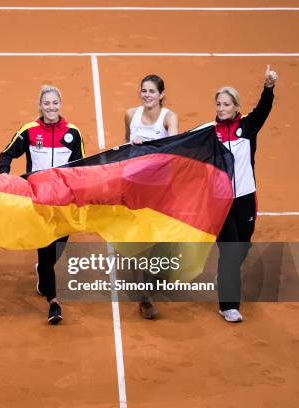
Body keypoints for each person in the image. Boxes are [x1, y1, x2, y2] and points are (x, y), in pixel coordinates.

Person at [0, 85, 85, 324]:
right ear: (40, 105)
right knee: (46, 255)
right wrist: (5, 175)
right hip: (39, 203)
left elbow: (82, 168)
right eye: (46, 103)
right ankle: (53, 303)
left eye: (55, 103)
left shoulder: (73, 133)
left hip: (64, 204)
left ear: (61, 104)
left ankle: (42, 273)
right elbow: (6, 155)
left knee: (56, 251)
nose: (51, 107)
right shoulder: (29, 131)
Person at [214, 65, 278, 323]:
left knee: (241, 246)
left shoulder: (247, 128)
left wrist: (269, 88)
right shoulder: (210, 133)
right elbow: (181, 145)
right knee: (230, 251)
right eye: (218, 104)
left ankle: (226, 273)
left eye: (226, 104)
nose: (221, 108)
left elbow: (263, 110)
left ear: (236, 106)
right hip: (221, 202)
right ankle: (228, 305)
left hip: (246, 199)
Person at [123, 74, 179, 319]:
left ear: (161, 94)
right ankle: (144, 299)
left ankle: (150, 281)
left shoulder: (169, 118)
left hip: (162, 190)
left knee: (162, 244)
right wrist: (131, 145)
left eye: (152, 91)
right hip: (136, 188)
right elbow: (124, 144)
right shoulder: (130, 114)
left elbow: (174, 147)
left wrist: (145, 144)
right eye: (143, 90)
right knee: (140, 241)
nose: (147, 95)